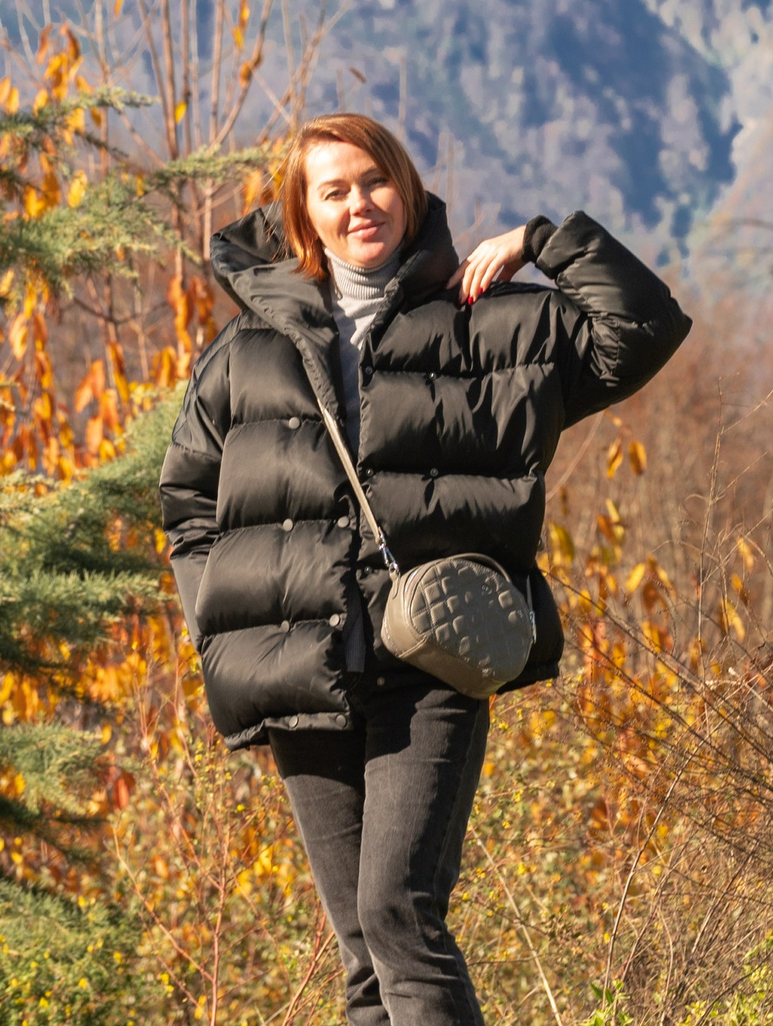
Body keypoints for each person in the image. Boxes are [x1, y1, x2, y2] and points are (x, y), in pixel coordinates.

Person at [159, 113, 691, 1026]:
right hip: (298, 672)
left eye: (375, 181)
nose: (359, 203)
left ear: (405, 189)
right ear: (304, 216)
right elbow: (188, 500)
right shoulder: (246, 353)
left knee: (398, 914)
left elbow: (643, 326)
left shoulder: (492, 324)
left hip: (432, 663)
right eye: (334, 190)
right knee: (362, 954)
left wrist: (541, 240)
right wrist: (225, 616)